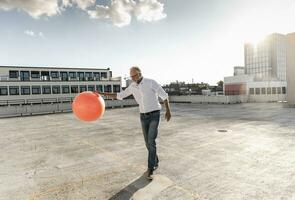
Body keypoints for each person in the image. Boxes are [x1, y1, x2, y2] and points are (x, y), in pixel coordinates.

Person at [100, 66, 171, 180]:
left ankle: (150, 169)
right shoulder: (132, 86)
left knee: (151, 141)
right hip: (143, 117)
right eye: (131, 76)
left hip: (154, 115)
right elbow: (120, 96)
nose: (132, 78)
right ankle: (155, 160)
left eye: (134, 75)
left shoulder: (150, 82)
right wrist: (103, 93)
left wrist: (168, 110)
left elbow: (164, 96)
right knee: (147, 143)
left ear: (139, 73)